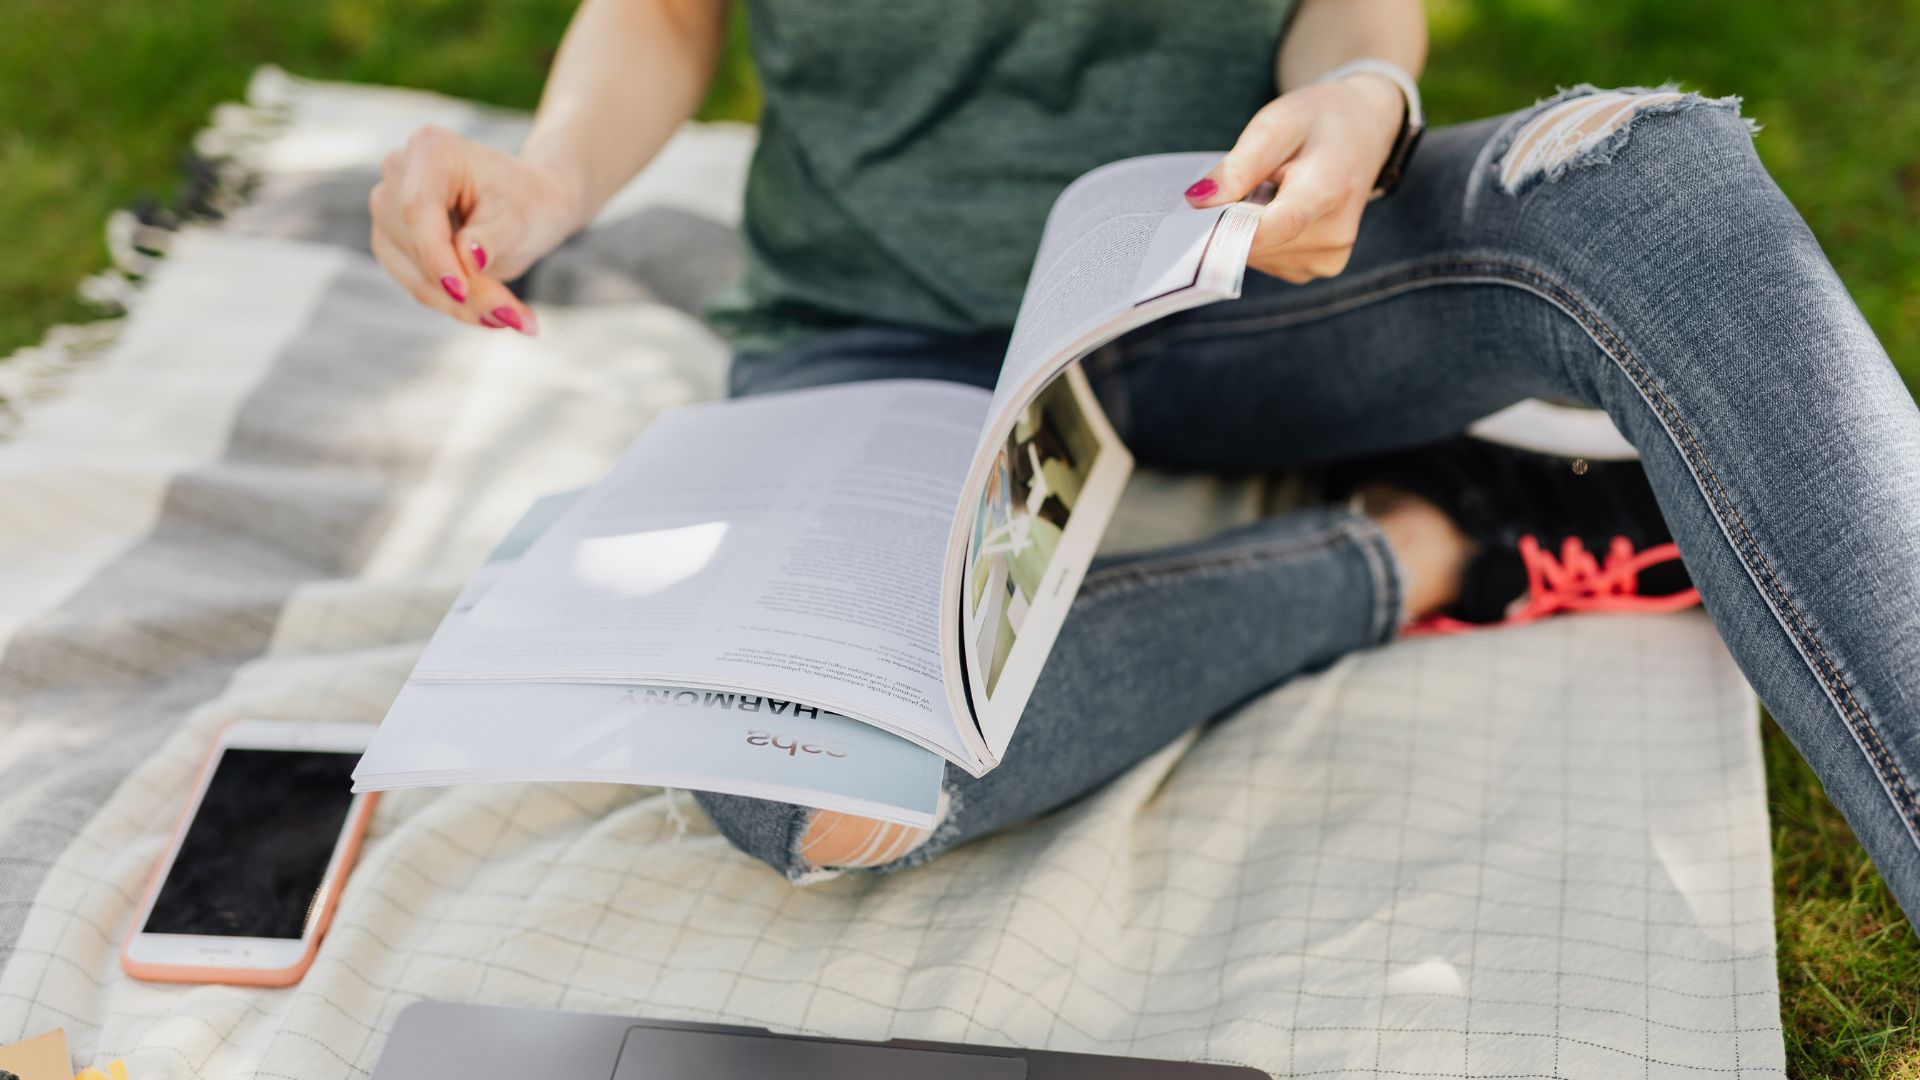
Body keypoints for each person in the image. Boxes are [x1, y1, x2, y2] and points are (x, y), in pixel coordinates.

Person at [369, 0, 1920, 927]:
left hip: (1225, 266)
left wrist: (1362, 100)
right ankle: (1440, 535)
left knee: (1653, 181)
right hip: (874, 328)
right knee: (800, 783)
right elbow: (663, 13)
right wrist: (546, 172)